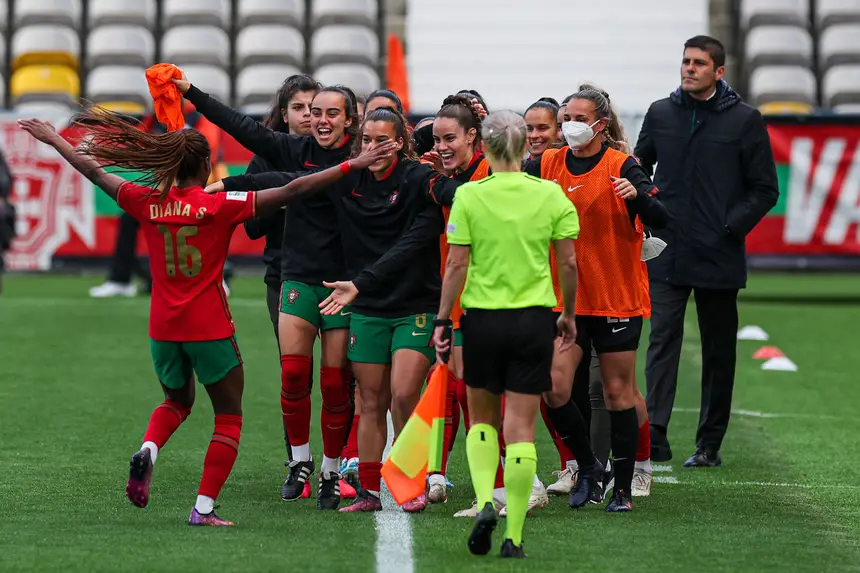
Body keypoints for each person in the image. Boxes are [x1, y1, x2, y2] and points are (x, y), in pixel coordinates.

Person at [17, 112, 394, 526]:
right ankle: (203, 508)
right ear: (205, 167)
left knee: (176, 402)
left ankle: (149, 449)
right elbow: (295, 188)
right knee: (229, 417)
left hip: (162, 328)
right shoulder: (219, 206)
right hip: (209, 328)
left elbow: (93, 169)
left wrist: (55, 139)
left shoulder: (146, 201)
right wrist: (351, 165)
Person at [213, 107, 463, 513]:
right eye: (367, 140)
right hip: (367, 307)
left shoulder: (418, 179)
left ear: (399, 143)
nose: (372, 147)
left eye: (382, 140)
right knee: (368, 400)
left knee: (403, 394)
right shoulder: (349, 180)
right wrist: (225, 185)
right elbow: (287, 182)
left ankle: (414, 476)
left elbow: (454, 197)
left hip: (413, 304)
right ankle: (367, 491)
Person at [175, 72, 362, 509]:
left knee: (336, 383)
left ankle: (332, 472)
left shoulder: (362, 160)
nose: (320, 120)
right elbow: (241, 126)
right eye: (314, 112)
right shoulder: (295, 149)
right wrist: (192, 94)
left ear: (350, 120)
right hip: (294, 276)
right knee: (294, 374)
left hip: (343, 285)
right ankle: (300, 461)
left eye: (330, 112)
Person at [432, 109, 580, 558]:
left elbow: (456, 264)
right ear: (522, 146)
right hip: (534, 318)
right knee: (520, 427)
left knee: (482, 421)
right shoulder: (551, 194)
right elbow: (570, 263)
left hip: (481, 319)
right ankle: (514, 534)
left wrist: (443, 319)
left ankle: (483, 503)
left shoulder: (470, 196)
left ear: (487, 147)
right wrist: (568, 314)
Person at [634, 35, 779, 468]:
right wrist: (650, 210)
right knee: (661, 340)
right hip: (666, 248)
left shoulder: (745, 120)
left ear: (719, 71)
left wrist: (729, 226)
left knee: (719, 351)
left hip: (719, 252)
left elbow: (765, 189)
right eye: (685, 61)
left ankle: (708, 444)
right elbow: (638, 168)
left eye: (699, 63)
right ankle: (655, 432)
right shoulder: (660, 113)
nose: (689, 68)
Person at [526, 85, 669, 511]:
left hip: (615, 299)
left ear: (600, 125)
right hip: (564, 301)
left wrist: (637, 195)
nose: (569, 125)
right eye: (566, 116)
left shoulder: (622, 164)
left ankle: (622, 488)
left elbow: (664, 217)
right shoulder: (547, 163)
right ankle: (587, 468)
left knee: (617, 392)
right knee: (553, 387)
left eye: (578, 118)